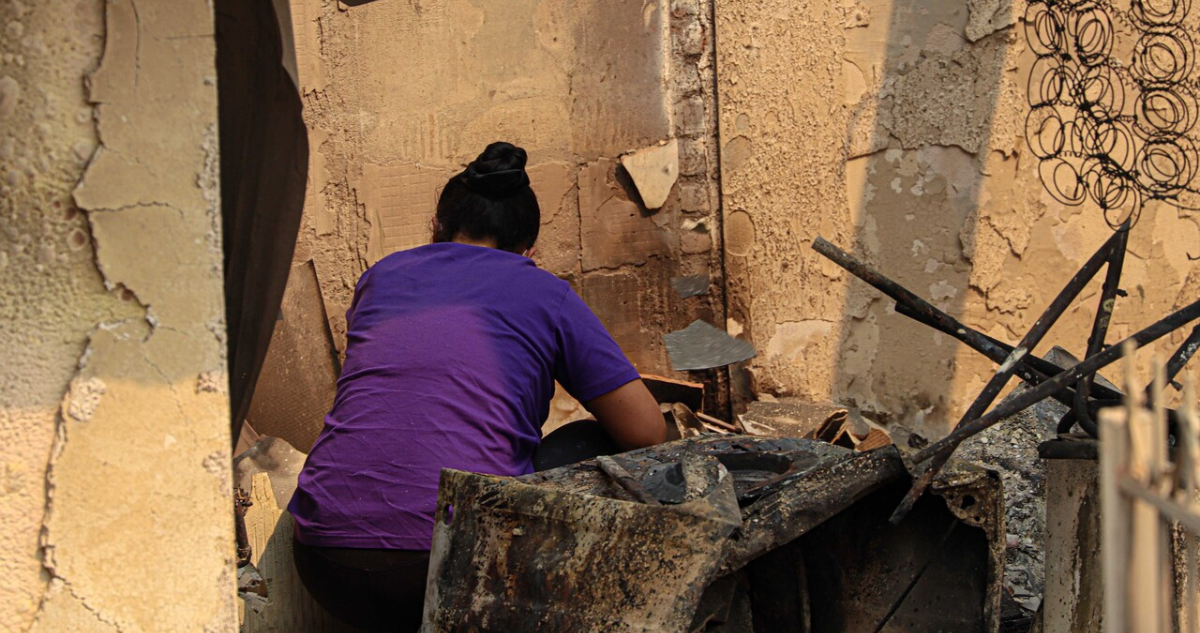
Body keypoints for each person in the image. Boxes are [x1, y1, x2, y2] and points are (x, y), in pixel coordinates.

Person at [288, 141, 667, 632]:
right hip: (451, 565)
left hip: (323, 563)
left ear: (436, 229)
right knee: (589, 441)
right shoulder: (544, 291)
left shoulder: (380, 277)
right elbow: (645, 431)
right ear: (528, 251)